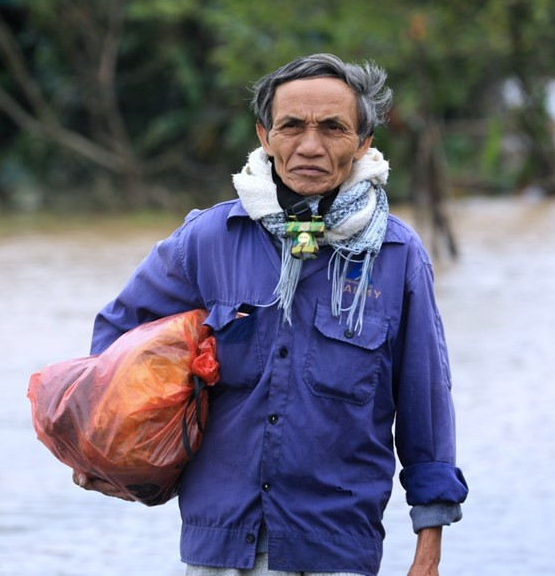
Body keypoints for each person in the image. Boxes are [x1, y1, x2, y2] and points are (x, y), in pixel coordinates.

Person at [79, 53, 468, 576]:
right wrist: (107, 447)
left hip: (336, 551)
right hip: (218, 544)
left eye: (333, 128)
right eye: (291, 127)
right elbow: (117, 341)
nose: (310, 146)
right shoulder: (209, 240)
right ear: (265, 135)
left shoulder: (396, 257)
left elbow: (426, 405)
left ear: (363, 143)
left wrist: (428, 549)